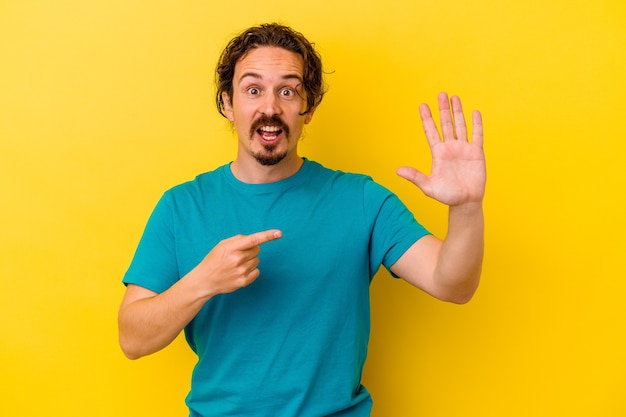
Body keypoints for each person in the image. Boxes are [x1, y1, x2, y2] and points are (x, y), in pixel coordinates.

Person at [118, 23, 486, 417]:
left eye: (288, 90)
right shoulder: (181, 206)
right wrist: (202, 281)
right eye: (253, 89)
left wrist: (466, 207)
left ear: (308, 107)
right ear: (228, 103)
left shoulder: (361, 200)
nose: (271, 107)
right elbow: (133, 339)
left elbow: (453, 284)